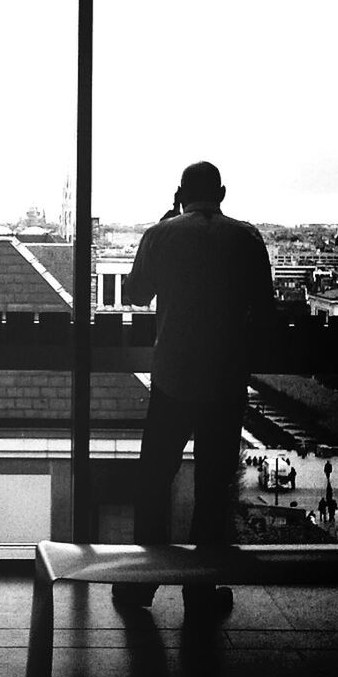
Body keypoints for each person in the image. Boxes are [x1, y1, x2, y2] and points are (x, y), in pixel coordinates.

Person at [109, 161, 275, 617]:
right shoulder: (246, 238)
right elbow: (264, 308)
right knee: (213, 487)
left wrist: (164, 227)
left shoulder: (161, 235)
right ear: (222, 193)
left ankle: (142, 584)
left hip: (172, 376)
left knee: (154, 482)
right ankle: (201, 590)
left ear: (180, 193)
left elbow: (137, 294)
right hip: (225, 378)